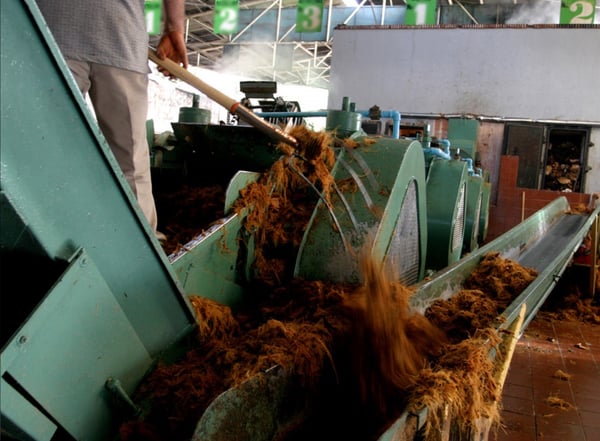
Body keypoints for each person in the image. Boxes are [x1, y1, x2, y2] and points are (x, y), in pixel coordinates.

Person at [36, 0, 189, 240]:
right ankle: (139, 243)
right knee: (129, 160)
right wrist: (174, 28)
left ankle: (138, 245)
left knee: (48, 151)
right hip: (82, 38)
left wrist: (174, 29)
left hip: (57, 34)